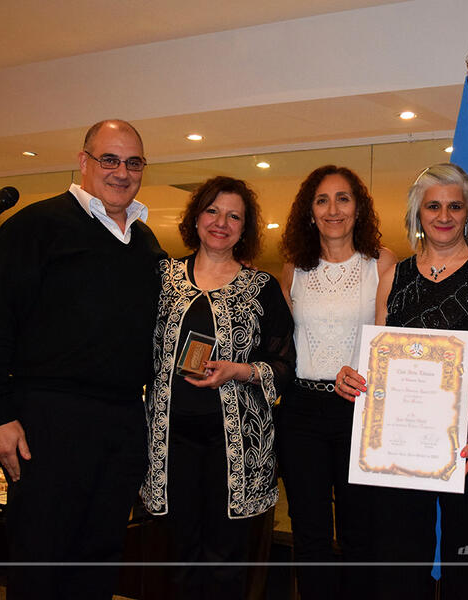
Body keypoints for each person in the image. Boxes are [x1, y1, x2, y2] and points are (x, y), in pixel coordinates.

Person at [0, 119, 165, 599]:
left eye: (133, 162)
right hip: (48, 419)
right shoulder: (34, 227)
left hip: (121, 420)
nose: (122, 171)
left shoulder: (146, 243)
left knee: (97, 563)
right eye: (109, 159)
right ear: (84, 162)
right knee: (42, 560)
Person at [341, 163, 468, 599]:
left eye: (455, 206)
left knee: (467, 575)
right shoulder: (392, 277)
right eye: (433, 205)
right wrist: (352, 377)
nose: (444, 215)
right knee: (398, 572)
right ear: (418, 212)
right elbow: (377, 361)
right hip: (400, 451)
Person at [140, 176, 294, 599]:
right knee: (178, 555)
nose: (221, 222)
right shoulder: (162, 278)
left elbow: (284, 364)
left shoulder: (261, 289)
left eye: (233, 216)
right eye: (212, 211)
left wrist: (239, 370)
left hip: (237, 446)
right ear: (196, 217)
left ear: (245, 228)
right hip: (170, 441)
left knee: (228, 561)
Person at [277, 165, 395, 599]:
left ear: (358, 207)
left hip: (358, 410)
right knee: (308, 533)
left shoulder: (381, 263)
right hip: (301, 411)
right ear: (309, 212)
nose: (333, 209)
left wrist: (361, 366)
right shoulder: (294, 268)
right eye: (322, 200)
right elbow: (284, 343)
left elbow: (387, 337)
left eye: (343, 198)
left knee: (359, 532)